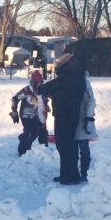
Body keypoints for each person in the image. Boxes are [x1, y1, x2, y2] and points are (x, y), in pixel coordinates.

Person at [39, 49, 87, 185]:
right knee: (70, 145)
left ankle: (68, 177)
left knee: (64, 146)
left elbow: (43, 88)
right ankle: (70, 174)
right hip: (73, 114)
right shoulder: (79, 78)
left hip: (62, 115)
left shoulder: (65, 78)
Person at [10, 70, 48, 156]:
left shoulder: (42, 91)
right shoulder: (26, 91)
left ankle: (46, 151)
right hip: (26, 116)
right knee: (29, 132)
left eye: (41, 83)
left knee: (42, 131)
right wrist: (14, 112)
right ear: (33, 83)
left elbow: (45, 103)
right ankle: (23, 152)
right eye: (38, 83)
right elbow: (15, 99)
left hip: (37, 115)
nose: (40, 85)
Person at [74, 71, 96, 182]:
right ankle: (74, 173)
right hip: (71, 120)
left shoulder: (85, 83)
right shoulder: (68, 79)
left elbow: (91, 101)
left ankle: (85, 172)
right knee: (73, 150)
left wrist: (88, 118)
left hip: (82, 120)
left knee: (84, 148)